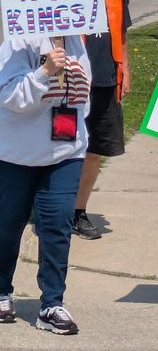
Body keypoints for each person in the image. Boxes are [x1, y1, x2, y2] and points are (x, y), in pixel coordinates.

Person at [0, 30, 92, 334]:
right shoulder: (18, 42)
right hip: (17, 156)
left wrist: (78, 136)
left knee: (57, 228)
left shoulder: (76, 41)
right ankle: (1, 292)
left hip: (65, 152)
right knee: (7, 227)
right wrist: (45, 71)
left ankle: (52, 304)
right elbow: (9, 96)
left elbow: (83, 95)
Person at [50, 0, 132, 241]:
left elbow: (121, 28)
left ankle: (78, 211)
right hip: (67, 78)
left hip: (103, 74)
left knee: (95, 148)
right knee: (61, 144)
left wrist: (123, 69)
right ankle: (53, 209)